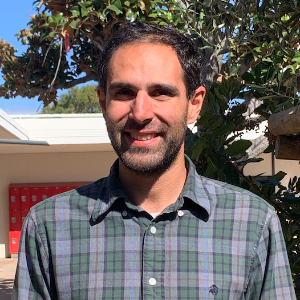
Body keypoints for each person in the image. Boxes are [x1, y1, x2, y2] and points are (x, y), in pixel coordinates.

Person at [12, 22, 296, 300]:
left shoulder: (253, 223)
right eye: (124, 92)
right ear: (102, 102)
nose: (140, 112)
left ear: (193, 105)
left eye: (161, 92)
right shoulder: (48, 226)